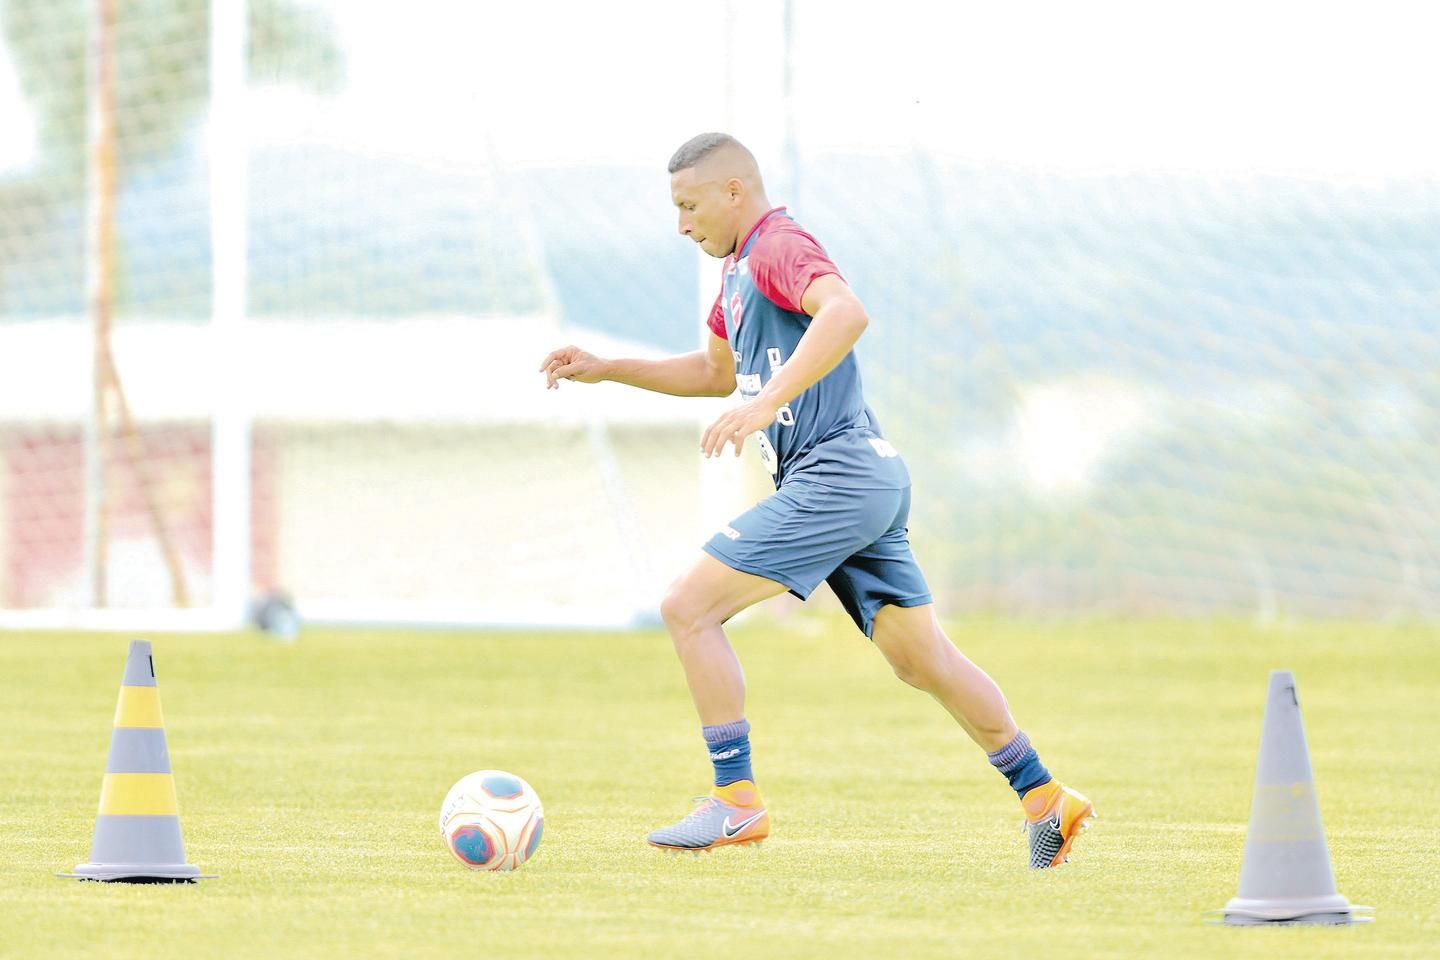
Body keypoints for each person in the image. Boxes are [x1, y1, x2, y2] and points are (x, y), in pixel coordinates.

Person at [539, 132, 1093, 868]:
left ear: (734, 191)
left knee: (687, 607)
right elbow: (712, 373)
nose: (681, 224)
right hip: (863, 480)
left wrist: (766, 403)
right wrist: (608, 368)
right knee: (920, 658)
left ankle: (735, 801)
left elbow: (846, 312)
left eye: (689, 205)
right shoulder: (737, 273)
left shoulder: (776, 244)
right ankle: (1045, 798)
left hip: (837, 476)